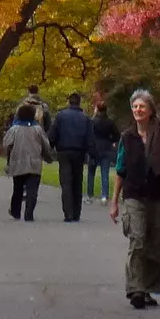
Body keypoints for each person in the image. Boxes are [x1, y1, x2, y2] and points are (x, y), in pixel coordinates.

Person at [109, 88, 160, 308]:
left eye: (142, 106)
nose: (138, 109)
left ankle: (148, 288)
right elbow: (121, 170)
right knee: (138, 240)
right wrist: (114, 201)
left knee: (157, 246)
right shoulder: (127, 137)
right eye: (135, 106)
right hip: (134, 194)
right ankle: (135, 289)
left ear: (150, 110)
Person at [3, 102, 55, 220]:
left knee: (18, 188)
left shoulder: (14, 129)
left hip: (18, 162)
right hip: (34, 163)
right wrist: (49, 157)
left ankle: (15, 211)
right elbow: (46, 145)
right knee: (32, 190)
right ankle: (29, 213)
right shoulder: (37, 129)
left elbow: (6, 143)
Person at [48, 91, 93, 222]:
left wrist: (50, 146)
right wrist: (91, 152)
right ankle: (76, 212)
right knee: (77, 182)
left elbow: (53, 134)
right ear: (79, 102)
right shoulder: (85, 118)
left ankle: (68, 213)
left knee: (66, 182)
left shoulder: (60, 116)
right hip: (79, 152)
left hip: (63, 152)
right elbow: (90, 138)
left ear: (69, 102)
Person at [85, 97, 118, 204]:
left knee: (91, 173)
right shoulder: (110, 122)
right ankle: (104, 196)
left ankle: (90, 196)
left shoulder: (92, 121)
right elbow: (117, 135)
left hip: (94, 148)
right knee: (105, 173)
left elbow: (88, 134)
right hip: (106, 148)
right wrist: (111, 140)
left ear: (97, 109)